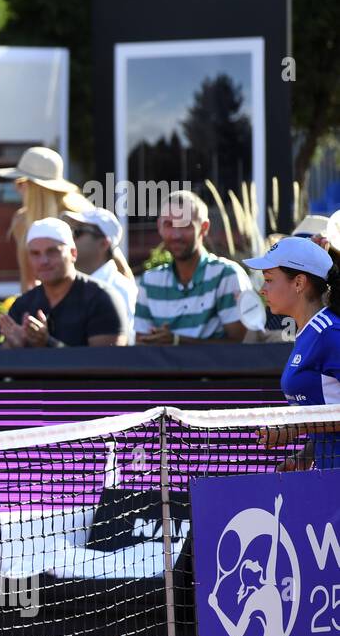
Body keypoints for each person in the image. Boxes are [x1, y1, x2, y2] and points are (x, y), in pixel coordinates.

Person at [244, 235, 340, 471]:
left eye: (268, 280)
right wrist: (306, 455)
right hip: (328, 478)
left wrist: (296, 428)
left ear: (298, 283)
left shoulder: (330, 333)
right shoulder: (310, 333)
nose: (262, 289)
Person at [134, 191, 256, 346]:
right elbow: (141, 346)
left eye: (185, 225)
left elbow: (239, 348)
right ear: (159, 227)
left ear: (204, 228)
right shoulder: (150, 281)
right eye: (169, 225)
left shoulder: (227, 275)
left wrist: (177, 341)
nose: (176, 235)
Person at [0, 218, 127, 349]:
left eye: (52, 251)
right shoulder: (22, 305)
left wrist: (47, 343)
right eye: (35, 253)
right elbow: (5, 363)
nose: (43, 261)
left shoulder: (102, 299)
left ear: (73, 253)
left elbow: (106, 364)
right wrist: (14, 348)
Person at [0, 147, 87, 292]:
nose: (16, 189)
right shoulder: (22, 220)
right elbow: (28, 282)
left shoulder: (81, 220)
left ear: (36, 188)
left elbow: (116, 267)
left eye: (20, 183)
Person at [64, 207, 138, 343]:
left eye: (78, 232)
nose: (70, 238)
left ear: (104, 243)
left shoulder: (120, 288)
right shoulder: (65, 284)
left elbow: (127, 347)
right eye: (71, 231)